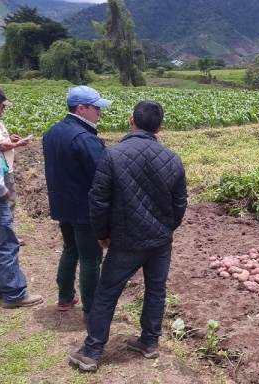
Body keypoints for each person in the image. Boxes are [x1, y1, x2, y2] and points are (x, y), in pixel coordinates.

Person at [68, 100, 188, 372]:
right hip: (160, 241)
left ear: (131, 121)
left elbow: (98, 200)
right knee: (156, 291)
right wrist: (167, 229)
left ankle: (92, 351)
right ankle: (149, 343)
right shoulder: (173, 158)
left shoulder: (113, 155)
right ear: (159, 128)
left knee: (108, 292)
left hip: (125, 240)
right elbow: (180, 203)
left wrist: (102, 234)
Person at [43, 86, 112, 320]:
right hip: (84, 209)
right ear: (81, 109)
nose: (100, 112)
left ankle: (65, 297)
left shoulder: (52, 132)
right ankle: (91, 311)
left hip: (62, 205)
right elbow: (102, 177)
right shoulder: (85, 138)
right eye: (96, 108)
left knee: (70, 250)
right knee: (91, 259)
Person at [0, 83, 43, 308]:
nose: (1, 112)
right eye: (1, 107)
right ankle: (15, 293)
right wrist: (2, 190)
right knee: (4, 243)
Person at [0, 118, 30, 211]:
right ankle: (6, 223)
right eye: (2, 107)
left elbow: (0, 141)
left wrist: (9, 139)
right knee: (8, 202)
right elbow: (1, 145)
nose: (3, 110)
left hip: (2, 166)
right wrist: (18, 143)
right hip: (3, 168)